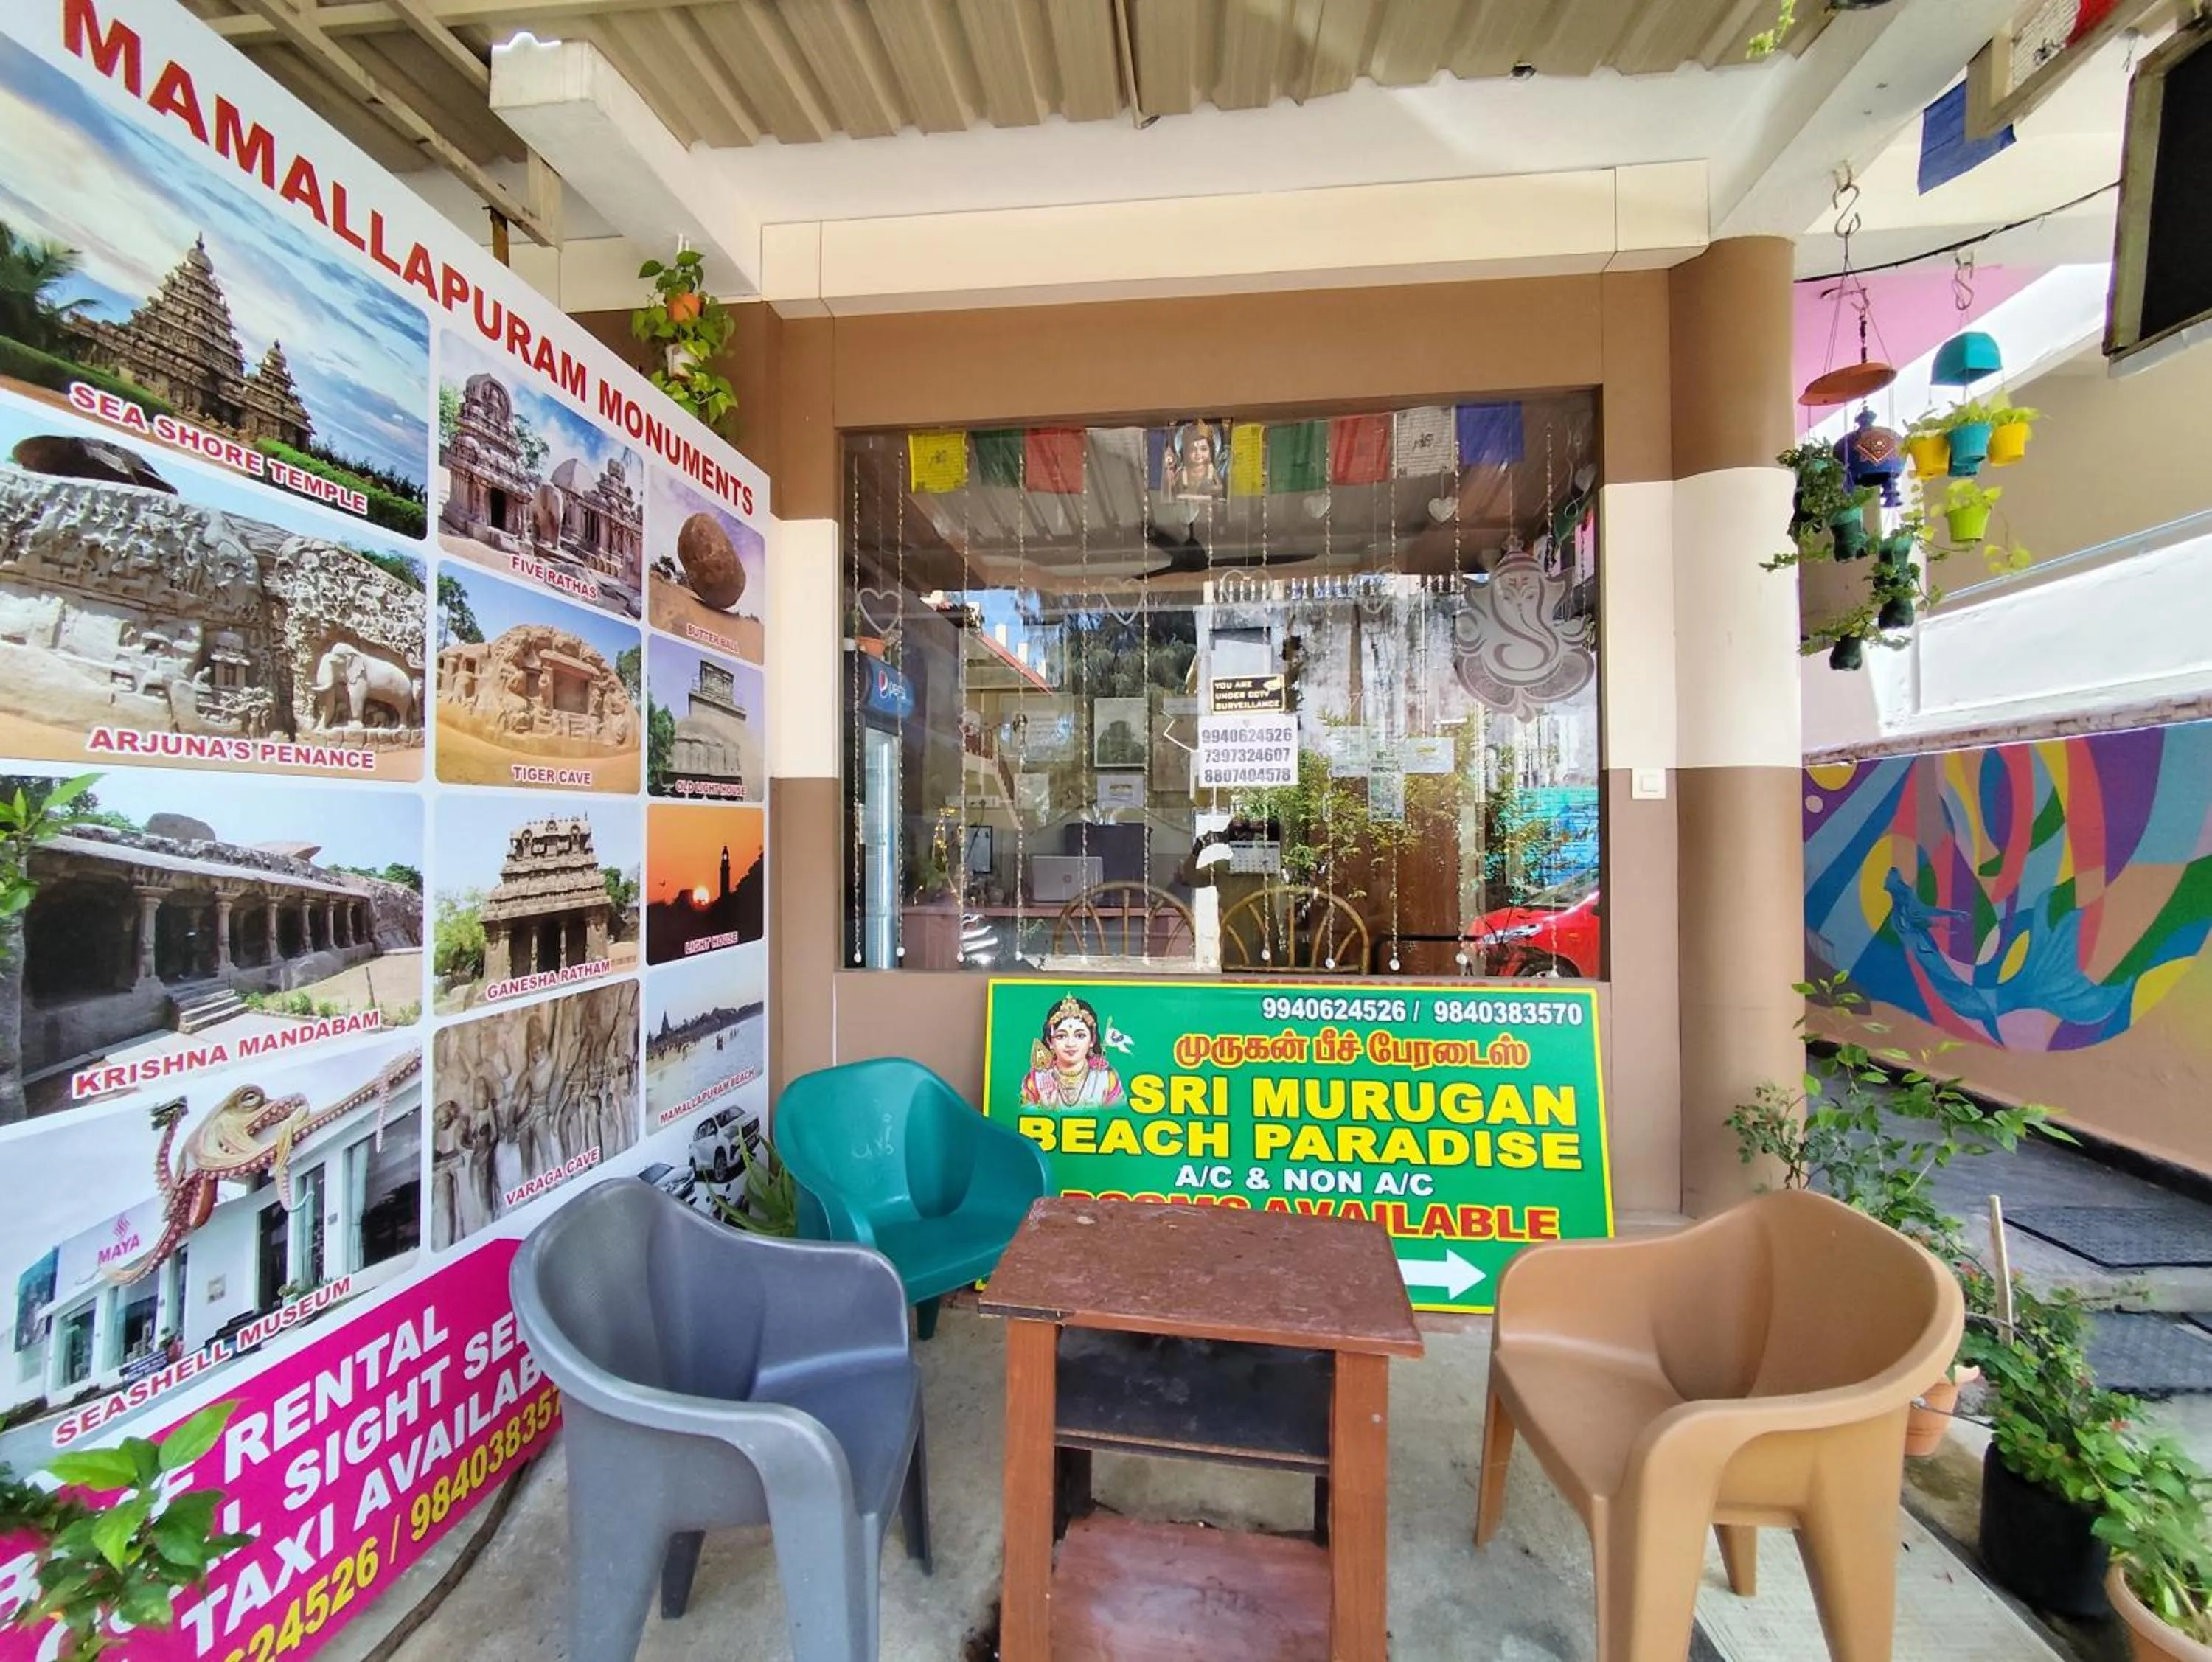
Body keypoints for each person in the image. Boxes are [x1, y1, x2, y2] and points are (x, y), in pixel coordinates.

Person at [1177, 815, 1286, 968]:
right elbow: (1188, 878)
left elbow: (1187, 878)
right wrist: (1262, 827)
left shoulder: (1226, 868)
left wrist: (1200, 847)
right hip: (1256, 940)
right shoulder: (1264, 864)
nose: (1243, 838)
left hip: (1239, 941)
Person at [1020, 992, 1124, 1108]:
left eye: (1080, 1036)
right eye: (1061, 1036)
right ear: (1050, 1041)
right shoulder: (1036, 1079)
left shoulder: (1106, 1078)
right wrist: (1046, 1106)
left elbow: (1120, 1115)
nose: (1071, 1044)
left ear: (1092, 1040)